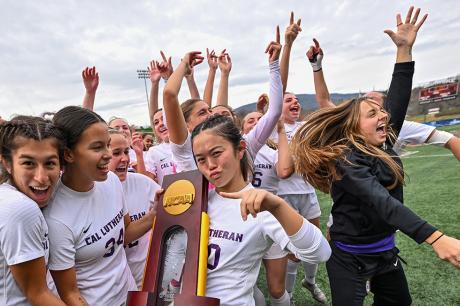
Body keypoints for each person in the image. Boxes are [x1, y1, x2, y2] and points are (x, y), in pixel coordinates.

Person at [292, 7, 460, 305]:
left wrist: (404, 49)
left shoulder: (383, 139)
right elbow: (381, 202)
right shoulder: (346, 159)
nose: (383, 115)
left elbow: (398, 94)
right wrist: (435, 237)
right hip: (348, 256)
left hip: (384, 250)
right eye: (373, 113)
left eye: (381, 111)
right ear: (354, 127)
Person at [189, 114, 331, 306]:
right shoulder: (197, 202)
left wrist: (278, 206)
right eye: (201, 159)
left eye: (216, 153)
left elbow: (320, 253)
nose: (210, 166)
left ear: (240, 149)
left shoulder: (262, 206)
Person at [44, 106, 157, 305]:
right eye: (97, 148)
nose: (107, 154)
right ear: (68, 154)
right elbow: (70, 294)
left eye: (107, 145)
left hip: (130, 297)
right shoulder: (56, 217)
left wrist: (156, 213)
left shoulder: (112, 181)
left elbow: (126, 232)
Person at [277, 11, 326, 304]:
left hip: (307, 191)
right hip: (285, 196)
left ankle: (310, 282)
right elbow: (277, 87)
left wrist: (317, 66)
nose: (294, 101)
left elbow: (325, 106)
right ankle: (290, 295)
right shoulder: (274, 126)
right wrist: (289, 45)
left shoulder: (307, 126)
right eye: (287, 99)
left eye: (296, 99)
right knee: (293, 249)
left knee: (315, 242)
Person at [0, 116, 65, 305]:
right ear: (7, 163)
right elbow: (38, 294)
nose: (41, 177)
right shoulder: (19, 208)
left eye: (50, 163)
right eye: (28, 163)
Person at [107, 129, 160, 288]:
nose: (124, 159)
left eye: (126, 151)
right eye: (116, 153)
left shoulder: (142, 182)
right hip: (118, 286)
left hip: (151, 276)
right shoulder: (93, 193)